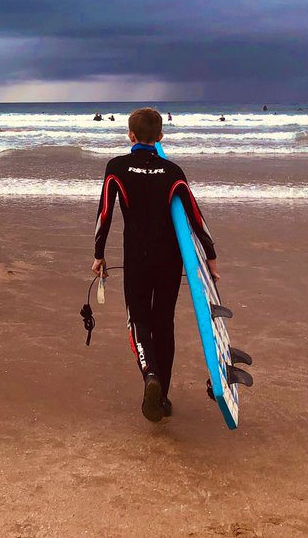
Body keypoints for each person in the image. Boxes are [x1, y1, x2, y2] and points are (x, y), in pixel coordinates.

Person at [92, 108, 218, 423]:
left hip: (137, 258)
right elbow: (195, 216)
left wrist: (98, 254)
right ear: (161, 137)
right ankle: (162, 397)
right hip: (170, 259)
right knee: (164, 324)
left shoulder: (116, 168)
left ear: (130, 136)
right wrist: (210, 257)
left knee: (138, 320)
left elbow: (104, 213)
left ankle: (150, 375)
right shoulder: (173, 171)